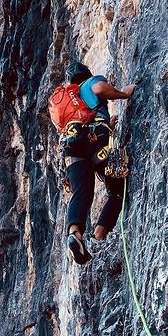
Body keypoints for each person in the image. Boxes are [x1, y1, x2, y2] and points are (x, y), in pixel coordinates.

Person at [61, 61, 136, 264]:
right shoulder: (88, 83)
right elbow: (100, 88)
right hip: (96, 142)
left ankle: (75, 233)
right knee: (117, 191)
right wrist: (124, 94)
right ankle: (99, 235)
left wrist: (107, 124)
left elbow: (80, 126)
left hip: (72, 149)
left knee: (82, 193)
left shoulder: (67, 101)